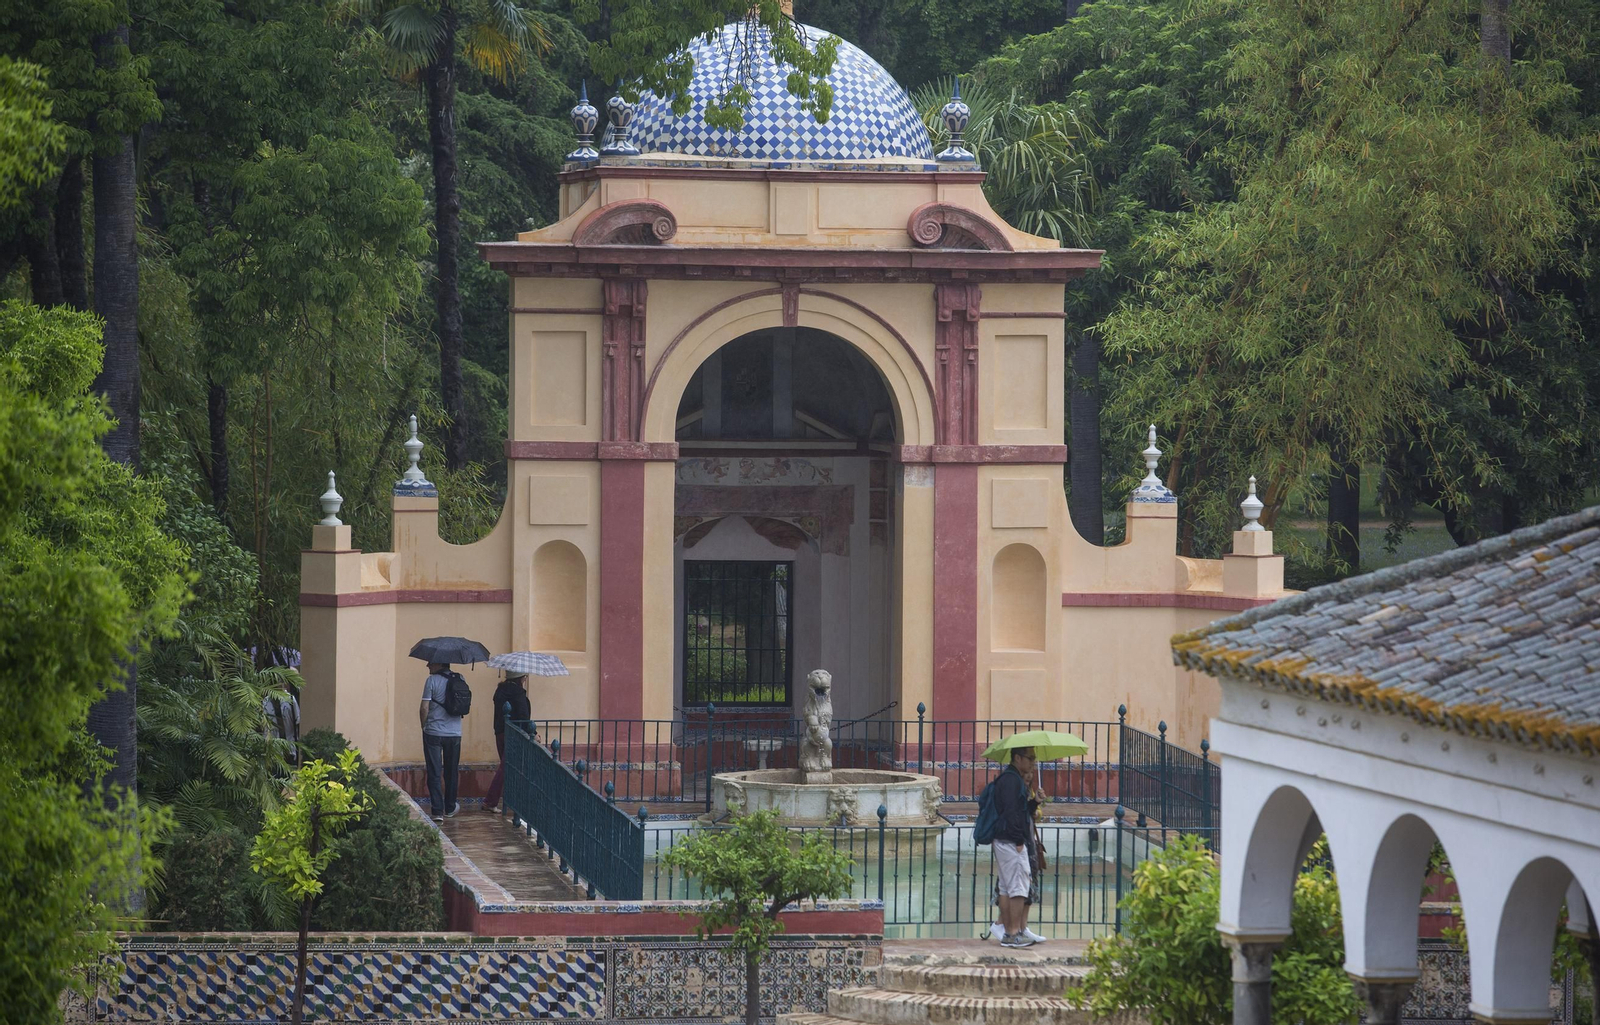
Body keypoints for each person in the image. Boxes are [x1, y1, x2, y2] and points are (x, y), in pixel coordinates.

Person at [990, 762, 1049, 944]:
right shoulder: (1011, 784)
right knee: (1015, 887)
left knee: (1014, 887)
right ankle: (1011, 932)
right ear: (1018, 758)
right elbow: (1012, 814)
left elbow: (1023, 813)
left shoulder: (1019, 787)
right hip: (1015, 842)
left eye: (1033, 770)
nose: (1030, 773)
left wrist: (1036, 803)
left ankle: (1015, 931)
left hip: (1021, 841)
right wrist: (1018, 841)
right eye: (1028, 763)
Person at [419, 661, 463, 822]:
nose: (428, 665)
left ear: (439, 663)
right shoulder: (461, 679)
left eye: (431, 663)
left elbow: (424, 708)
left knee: (435, 771)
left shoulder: (431, 681)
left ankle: (437, 811)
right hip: (455, 733)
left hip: (434, 733)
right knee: (452, 771)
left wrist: (424, 726)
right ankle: (450, 807)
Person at [483, 673, 532, 813]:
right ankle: (490, 801)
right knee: (505, 768)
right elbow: (523, 716)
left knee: (508, 768)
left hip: (500, 731)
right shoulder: (518, 693)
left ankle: (511, 800)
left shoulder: (500, 691)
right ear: (521, 678)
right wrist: (532, 733)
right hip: (513, 734)